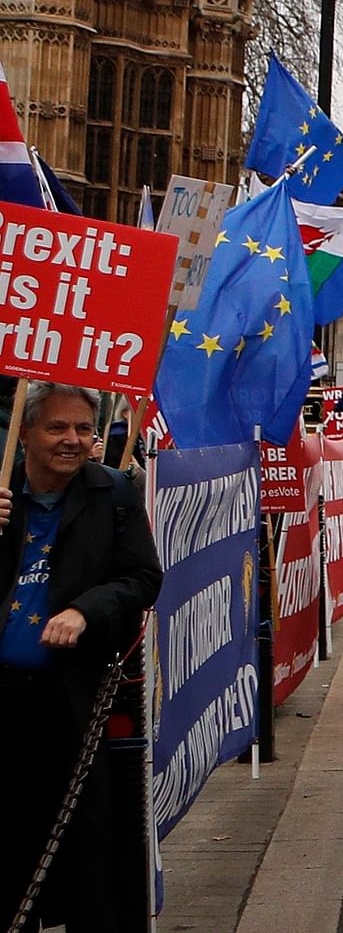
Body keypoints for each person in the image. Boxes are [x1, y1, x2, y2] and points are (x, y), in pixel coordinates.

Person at [1, 382, 164, 930]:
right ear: (24, 433)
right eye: (56, 428)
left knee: (86, 848)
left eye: (82, 429)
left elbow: (142, 578)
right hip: (5, 703)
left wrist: (85, 612)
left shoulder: (114, 493)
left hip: (74, 701)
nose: (72, 441)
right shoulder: (1, 491)